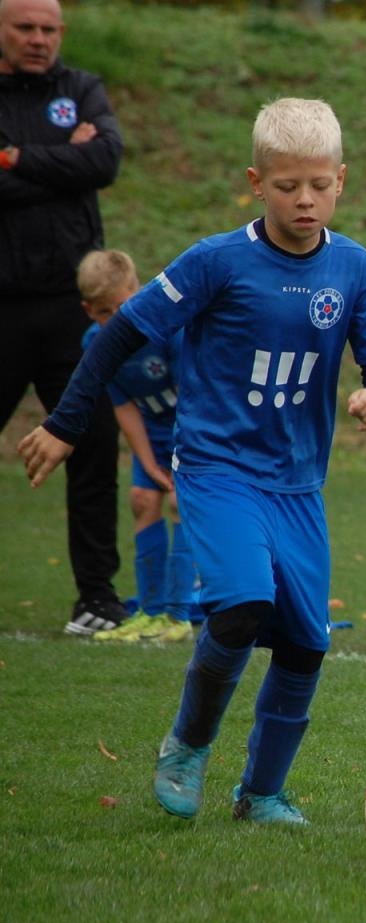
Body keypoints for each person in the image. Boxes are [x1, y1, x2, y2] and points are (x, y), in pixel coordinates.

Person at [20, 97, 366, 826]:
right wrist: (67, 422)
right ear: (256, 182)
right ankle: (188, 745)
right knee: (241, 605)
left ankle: (261, 792)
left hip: (297, 484)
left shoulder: (353, 268)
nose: (304, 199)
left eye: (319, 185)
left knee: (305, 643)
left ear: (341, 181)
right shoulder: (216, 262)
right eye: (287, 185)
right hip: (216, 466)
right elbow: (118, 336)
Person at [1, 0, 127, 635]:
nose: (38, 39)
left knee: (94, 443)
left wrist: (17, 157)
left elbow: (105, 160)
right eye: (26, 27)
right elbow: (80, 166)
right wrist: (64, 160)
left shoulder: (81, 88)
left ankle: (97, 600)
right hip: (1, 305)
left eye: (49, 29)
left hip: (73, 310)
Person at [75, 249, 193, 643]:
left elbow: (197, 397)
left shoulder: (169, 330)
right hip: (152, 437)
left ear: (139, 291)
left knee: (180, 503)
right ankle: (149, 610)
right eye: (105, 312)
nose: (116, 320)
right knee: (143, 500)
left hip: (193, 431)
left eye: (123, 307)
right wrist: (147, 462)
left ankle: (176, 616)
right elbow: (124, 409)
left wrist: (179, 460)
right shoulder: (96, 344)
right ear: (89, 310)